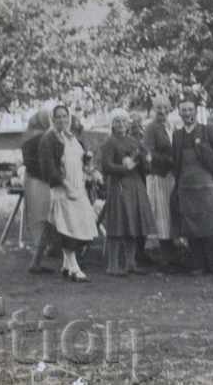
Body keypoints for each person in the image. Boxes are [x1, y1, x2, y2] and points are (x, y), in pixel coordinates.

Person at [172, 97, 213, 275]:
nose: (187, 114)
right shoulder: (177, 135)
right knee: (191, 228)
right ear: (179, 113)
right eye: (183, 110)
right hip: (185, 188)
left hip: (206, 187)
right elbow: (175, 163)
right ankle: (197, 265)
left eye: (190, 110)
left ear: (196, 111)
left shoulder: (208, 131)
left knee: (211, 226)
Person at [39, 105, 98, 282]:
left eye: (65, 116)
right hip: (62, 189)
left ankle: (66, 264)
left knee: (83, 224)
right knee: (69, 228)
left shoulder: (71, 137)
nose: (62, 120)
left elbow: (79, 160)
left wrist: (88, 162)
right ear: (52, 119)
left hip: (78, 186)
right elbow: (49, 169)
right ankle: (75, 268)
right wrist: (65, 185)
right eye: (58, 117)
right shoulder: (48, 139)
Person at [101, 108, 157, 277]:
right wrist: (125, 167)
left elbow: (145, 166)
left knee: (132, 223)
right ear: (112, 124)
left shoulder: (133, 141)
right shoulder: (109, 143)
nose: (121, 125)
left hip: (135, 185)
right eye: (117, 121)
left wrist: (146, 160)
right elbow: (106, 166)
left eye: (124, 121)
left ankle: (131, 263)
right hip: (119, 185)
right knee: (117, 223)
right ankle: (112, 265)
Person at [144, 96, 180, 266]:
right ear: (154, 109)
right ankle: (164, 249)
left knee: (170, 209)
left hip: (171, 176)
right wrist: (168, 161)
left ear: (169, 109)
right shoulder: (151, 128)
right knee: (161, 211)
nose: (162, 111)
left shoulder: (171, 126)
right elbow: (148, 153)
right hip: (158, 175)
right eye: (158, 108)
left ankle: (172, 245)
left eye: (165, 108)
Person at [22, 109, 58, 274]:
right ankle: (36, 261)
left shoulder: (28, 137)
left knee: (39, 218)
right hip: (42, 182)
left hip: (32, 180)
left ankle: (45, 253)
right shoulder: (44, 137)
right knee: (45, 218)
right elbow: (44, 164)